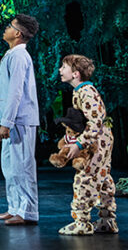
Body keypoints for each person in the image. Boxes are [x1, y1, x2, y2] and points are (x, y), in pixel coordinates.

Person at [58, 54, 118, 235]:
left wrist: (80, 144)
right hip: (101, 139)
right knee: (103, 177)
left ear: (76, 74)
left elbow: (95, 122)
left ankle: (82, 223)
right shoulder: (80, 91)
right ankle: (107, 220)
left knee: (85, 178)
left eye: (64, 67)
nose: (60, 70)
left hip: (97, 141)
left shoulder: (86, 92)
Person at [0, 14, 40, 226]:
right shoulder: (12, 53)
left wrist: (7, 122)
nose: (6, 29)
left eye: (9, 26)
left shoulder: (20, 56)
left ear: (18, 33)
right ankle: (14, 207)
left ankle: (27, 211)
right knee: (10, 166)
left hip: (20, 119)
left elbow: (15, 92)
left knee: (23, 166)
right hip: (12, 119)